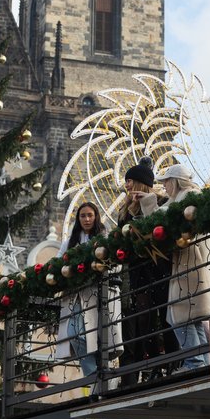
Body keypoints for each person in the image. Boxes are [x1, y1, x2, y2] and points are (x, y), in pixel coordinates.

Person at [139, 164, 210, 371]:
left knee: (180, 314)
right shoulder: (180, 198)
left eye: (166, 181)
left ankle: (195, 361)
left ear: (175, 181)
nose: (164, 185)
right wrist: (147, 200)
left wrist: (148, 201)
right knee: (192, 316)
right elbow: (160, 217)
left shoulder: (189, 196)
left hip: (190, 261)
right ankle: (203, 360)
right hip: (188, 261)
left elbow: (163, 222)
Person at [117, 158, 177, 385]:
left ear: (141, 182)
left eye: (130, 180)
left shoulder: (161, 202)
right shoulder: (124, 211)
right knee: (145, 319)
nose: (127, 185)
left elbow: (162, 229)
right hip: (138, 270)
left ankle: (172, 362)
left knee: (166, 315)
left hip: (160, 266)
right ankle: (152, 365)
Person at [55, 202, 122, 378]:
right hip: (75, 294)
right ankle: (93, 375)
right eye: (83, 215)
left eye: (90, 215)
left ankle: (98, 377)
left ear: (96, 216)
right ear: (78, 219)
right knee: (75, 334)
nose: (86, 219)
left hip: (98, 292)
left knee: (99, 337)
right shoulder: (69, 242)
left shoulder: (104, 237)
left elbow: (115, 263)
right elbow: (55, 265)